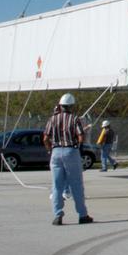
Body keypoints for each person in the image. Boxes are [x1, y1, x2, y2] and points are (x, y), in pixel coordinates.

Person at [43, 93, 92, 226]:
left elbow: (46, 138)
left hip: (56, 151)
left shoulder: (52, 119)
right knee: (76, 184)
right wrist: (77, 146)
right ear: (71, 106)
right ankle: (82, 215)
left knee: (57, 185)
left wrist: (49, 150)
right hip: (71, 150)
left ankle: (58, 215)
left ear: (60, 105)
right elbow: (81, 136)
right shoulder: (74, 119)